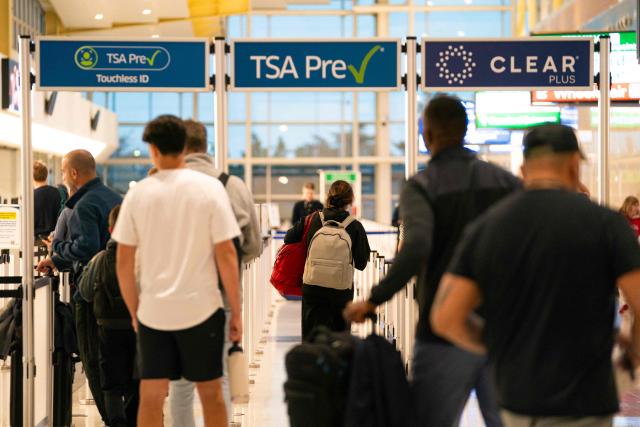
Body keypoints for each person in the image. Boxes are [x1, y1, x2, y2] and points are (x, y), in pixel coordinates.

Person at [431, 123, 640, 427]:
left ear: (523, 169)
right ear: (573, 165)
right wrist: (632, 358)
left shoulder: (487, 227)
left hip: (518, 401)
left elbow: (446, 317)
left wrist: (498, 345)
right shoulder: (608, 225)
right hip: (587, 403)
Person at [344, 95, 520, 427]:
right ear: (465, 130)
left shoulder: (423, 185)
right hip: (503, 331)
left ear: (427, 134)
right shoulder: (505, 182)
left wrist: (373, 299)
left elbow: (417, 245)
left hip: (444, 330)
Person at [113, 115, 243, 427]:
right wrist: (236, 312)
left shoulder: (138, 193)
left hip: (153, 313)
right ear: (185, 147)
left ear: (153, 149)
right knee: (210, 392)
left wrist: (135, 311)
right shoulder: (210, 189)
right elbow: (226, 254)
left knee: (152, 395)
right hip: (203, 309)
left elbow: (123, 263)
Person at [169, 119, 262, 426]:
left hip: (174, 294)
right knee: (218, 375)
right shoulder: (232, 185)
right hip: (220, 293)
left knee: (180, 384)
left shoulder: (162, 185)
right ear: (205, 145)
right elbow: (252, 247)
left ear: (181, 146)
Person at [35, 149, 122, 423]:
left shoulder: (83, 204)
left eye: (63, 171)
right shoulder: (115, 197)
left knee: (95, 361)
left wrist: (57, 249)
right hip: (122, 289)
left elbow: (87, 246)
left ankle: (113, 420)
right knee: (121, 359)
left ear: (73, 173)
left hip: (92, 291)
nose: (63, 176)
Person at [286, 180, 370, 340]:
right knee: (339, 341)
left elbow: (288, 238)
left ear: (328, 197)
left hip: (312, 287)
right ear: (350, 200)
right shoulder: (354, 226)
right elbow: (361, 263)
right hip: (340, 291)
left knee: (311, 339)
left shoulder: (312, 219)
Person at [78, 205, 139, 427]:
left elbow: (84, 292)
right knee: (137, 380)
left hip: (107, 330)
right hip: (137, 328)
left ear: (111, 229)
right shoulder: (142, 258)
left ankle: (115, 422)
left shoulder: (100, 259)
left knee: (111, 384)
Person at [33, 160, 61, 241]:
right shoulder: (57, 193)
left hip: (35, 241)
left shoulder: (30, 197)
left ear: (32, 176)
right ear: (46, 174)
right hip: (54, 240)